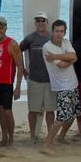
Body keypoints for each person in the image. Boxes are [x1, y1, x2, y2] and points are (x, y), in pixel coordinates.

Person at [41, 20, 80, 155]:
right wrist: (71, 59)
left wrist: (57, 56)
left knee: (73, 114)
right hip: (61, 86)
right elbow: (62, 65)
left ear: (64, 32)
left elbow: (73, 56)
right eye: (57, 31)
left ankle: (61, 137)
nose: (59, 34)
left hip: (73, 83)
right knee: (62, 116)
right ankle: (47, 143)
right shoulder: (47, 47)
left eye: (61, 31)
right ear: (52, 32)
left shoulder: (66, 42)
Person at [0, 16, 23, 147]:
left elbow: (20, 66)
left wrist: (18, 87)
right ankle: (4, 138)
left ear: (6, 29)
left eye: (1, 28)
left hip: (7, 83)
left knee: (8, 112)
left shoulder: (12, 44)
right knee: (0, 111)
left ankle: (11, 139)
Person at [19, 12, 54, 144]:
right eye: (38, 20)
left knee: (50, 110)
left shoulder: (53, 37)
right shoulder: (30, 38)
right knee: (33, 110)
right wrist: (22, 68)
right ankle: (33, 136)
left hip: (51, 81)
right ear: (35, 23)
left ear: (47, 23)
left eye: (43, 20)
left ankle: (50, 136)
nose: (40, 23)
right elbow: (17, 51)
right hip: (34, 80)